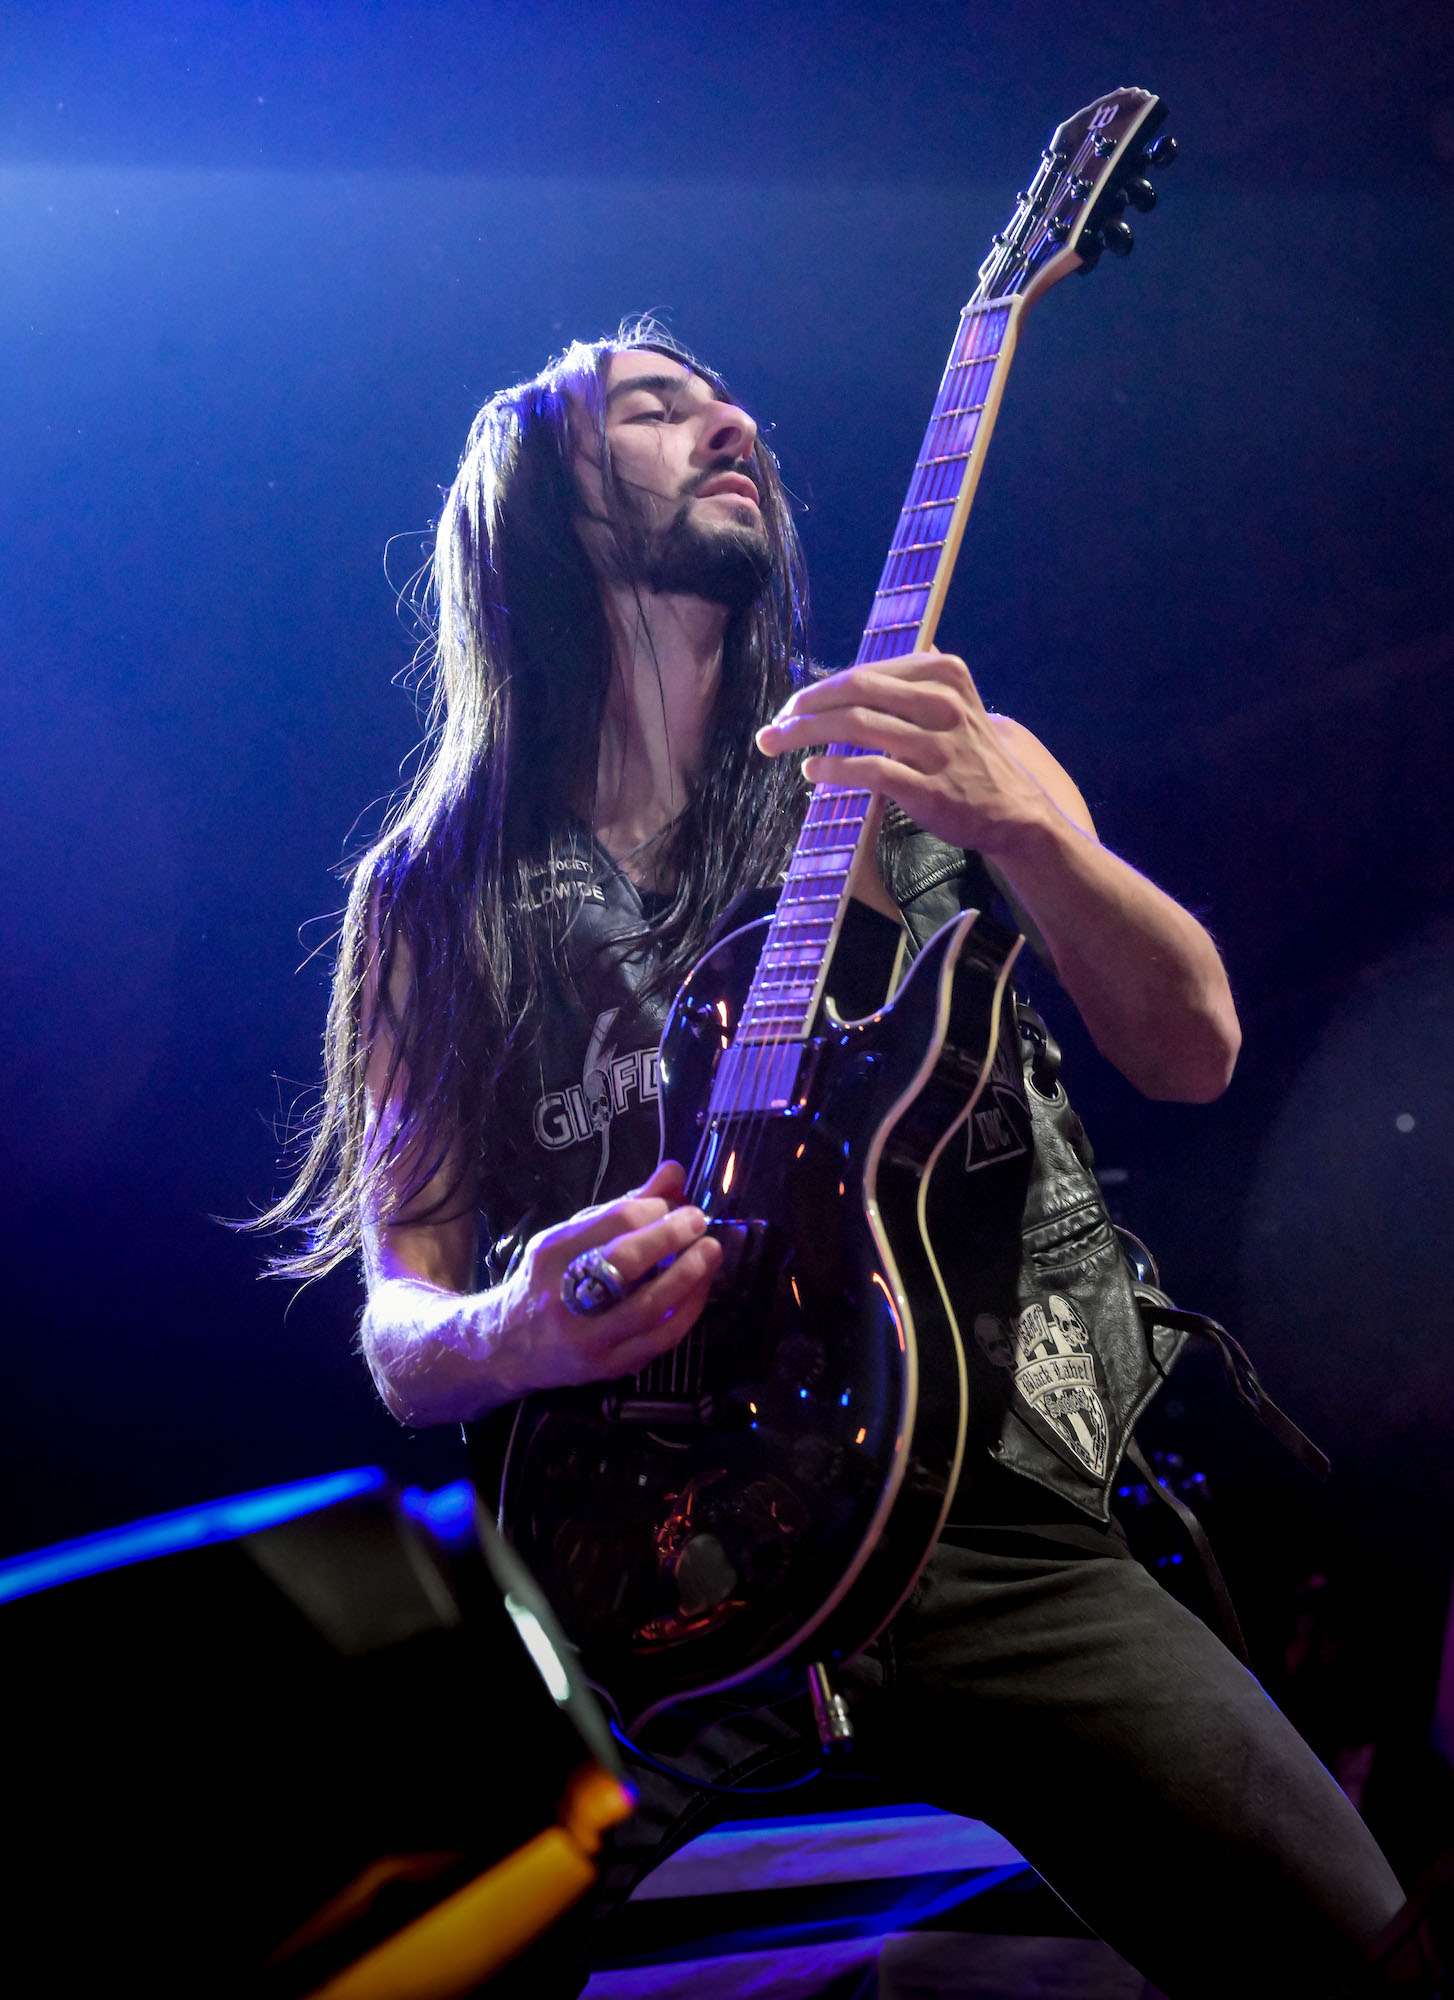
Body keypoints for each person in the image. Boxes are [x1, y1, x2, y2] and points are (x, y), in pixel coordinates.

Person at [261, 322, 1411, 1995]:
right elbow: (402, 1324)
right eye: (653, 407)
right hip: (644, 1579)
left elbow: (1193, 1048)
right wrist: (517, 1323)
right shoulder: (434, 889)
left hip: (979, 1517)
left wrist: (1023, 826)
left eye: (727, 402)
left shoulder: (918, 754)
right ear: (539, 505)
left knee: (1363, 1959)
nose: (725, 421)